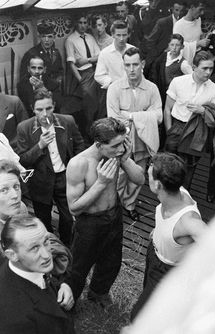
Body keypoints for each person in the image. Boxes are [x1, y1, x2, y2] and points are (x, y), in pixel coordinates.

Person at [65, 117, 145, 306]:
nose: (120, 149)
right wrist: (100, 184)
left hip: (114, 215)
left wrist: (125, 160)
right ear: (99, 144)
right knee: (78, 266)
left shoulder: (116, 154)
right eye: (116, 146)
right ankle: (70, 301)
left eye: (122, 143)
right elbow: (73, 207)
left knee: (112, 262)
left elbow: (140, 180)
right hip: (90, 222)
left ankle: (98, 293)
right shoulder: (79, 164)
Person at [131, 152, 206, 320]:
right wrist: (159, 232)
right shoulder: (174, 190)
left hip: (167, 272)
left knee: (138, 317)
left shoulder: (188, 221)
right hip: (154, 254)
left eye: (148, 175)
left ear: (157, 185)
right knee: (149, 300)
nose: (146, 175)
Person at [17, 88, 85, 246]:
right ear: (32, 109)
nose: (45, 114)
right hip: (40, 182)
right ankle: (50, 247)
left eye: (48, 108)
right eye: (39, 109)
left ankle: (66, 246)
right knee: (44, 219)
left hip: (65, 177)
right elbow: (22, 161)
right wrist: (40, 145)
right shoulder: (24, 128)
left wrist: (75, 168)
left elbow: (79, 145)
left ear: (54, 106)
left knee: (68, 218)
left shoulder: (67, 121)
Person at [107, 47, 162, 220]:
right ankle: (113, 204)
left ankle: (130, 204)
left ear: (142, 64)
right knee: (118, 176)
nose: (131, 69)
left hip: (143, 141)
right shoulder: (114, 88)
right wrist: (145, 116)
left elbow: (159, 116)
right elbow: (113, 119)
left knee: (137, 175)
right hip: (120, 143)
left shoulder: (152, 88)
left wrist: (131, 116)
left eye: (135, 64)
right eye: (127, 65)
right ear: (123, 65)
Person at [0, 215, 75, 334]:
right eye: (34, 248)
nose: (47, 255)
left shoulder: (27, 265)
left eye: (46, 241)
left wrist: (62, 285)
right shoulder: (16, 321)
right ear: (12, 255)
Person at [164, 51, 215, 188]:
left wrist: (202, 111)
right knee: (168, 169)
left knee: (188, 171)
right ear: (194, 67)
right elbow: (167, 109)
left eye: (211, 68)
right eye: (204, 68)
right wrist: (169, 130)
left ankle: (184, 199)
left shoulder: (214, 90)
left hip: (197, 132)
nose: (208, 72)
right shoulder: (178, 82)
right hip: (176, 127)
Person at [65, 14, 100, 144]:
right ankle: (88, 136)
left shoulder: (90, 37)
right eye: (80, 22)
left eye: (85, 22)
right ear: (76, 23)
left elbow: (99, 55)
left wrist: (87, 60)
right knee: (89, 105)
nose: (83, 25)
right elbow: (71, 63)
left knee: (98, 103)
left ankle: (97, 131)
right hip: (83, 74)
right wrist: (80, 80)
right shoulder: (70, 40)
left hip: (95, 71)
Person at [145, 1, 186, 79]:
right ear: (172, 9)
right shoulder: (163, 22)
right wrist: (157, 57)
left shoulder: (184, 24)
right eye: (177, 10)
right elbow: (150, 41)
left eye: (182, 11)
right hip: (160, 60)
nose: (179, 13)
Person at [20, 22, 64, 90]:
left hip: (55, 89)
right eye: (43, 36)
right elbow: (23, 79)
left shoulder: (56, 52)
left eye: (49, 36)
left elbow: (60, 71)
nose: (47, 40)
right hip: (38, 91)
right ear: (39, 37)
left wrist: (58, 81)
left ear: (54, 38)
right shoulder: (31, 54)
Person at [153, 33, 192, 105]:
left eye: (177, 45)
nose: (174, 48)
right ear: (168, 45)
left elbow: (192, 78)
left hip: (173, 96)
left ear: (182, 47)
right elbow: (155, 70)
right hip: (160, 92)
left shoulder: (183, 64)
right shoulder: (164, 56)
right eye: (172, 45)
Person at [95, 20, 134, 90]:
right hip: (114, 91)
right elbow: (99, 75)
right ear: (112, 34)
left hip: (132, 89)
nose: (121, 39)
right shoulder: (104, 53)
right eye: (118, 35)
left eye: (124, 35)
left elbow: (139, 71)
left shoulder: (133, 50)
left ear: (129, 34)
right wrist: (113, 83)